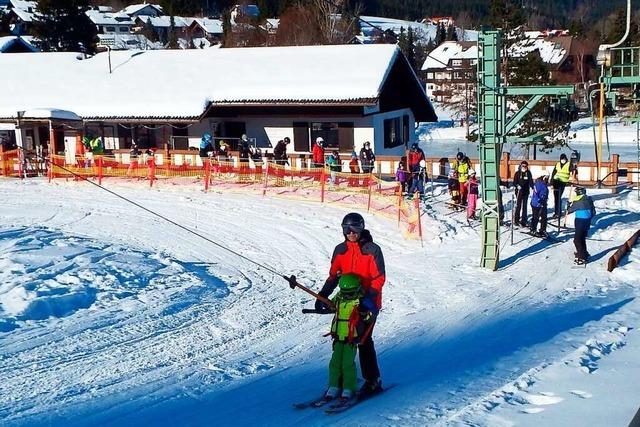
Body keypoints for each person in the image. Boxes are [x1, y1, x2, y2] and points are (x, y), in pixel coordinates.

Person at [316, 213, 385, 397]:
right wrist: (323, 295)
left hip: (367, 303)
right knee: (341, 338)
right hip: (345, 303)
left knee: (362, 339)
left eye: (354, 229)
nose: (351, 233)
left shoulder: (372, 250)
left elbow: (379, 279)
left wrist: (366, 302)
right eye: (347, 229)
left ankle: (373, 380)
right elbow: (334, 276)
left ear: (361, 229)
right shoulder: (340, 250)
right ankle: (340, 379)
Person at [324, 274, 367, 402]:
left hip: (351, 338)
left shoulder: (361, 300)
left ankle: (349, 387)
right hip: (338, 336)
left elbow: (370, 310)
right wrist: (326, 304)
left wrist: (366, 312)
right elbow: (331, 304)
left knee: (347, 364)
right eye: (345, 292)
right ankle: (334, 386)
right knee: (334, 363)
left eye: (350, 293)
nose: (347, 295)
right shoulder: (339, 297)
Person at [567, 186, 596, 265]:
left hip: (580, 220)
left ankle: (582, 257)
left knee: (577, 240)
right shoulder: (589, 199)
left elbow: (570, 210)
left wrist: (568, 206)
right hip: (587, 221)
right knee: (582, 238)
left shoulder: (578, 201)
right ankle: (584, 253)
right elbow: (593, 212)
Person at [551, 153, 573, 218]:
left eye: (564, 159)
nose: (562, 160)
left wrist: (574, 170)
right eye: (561, 159)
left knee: (558, 197)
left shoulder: (569, 164)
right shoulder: (557, 164)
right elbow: (554, 172)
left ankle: (558, 212)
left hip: (563, 182)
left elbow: (573, 171)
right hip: (556, 181)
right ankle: (556, 212)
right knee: (556, 197)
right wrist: (552, 182)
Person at [513, 160, 533, 227]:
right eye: (523, 166)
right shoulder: (517, 173)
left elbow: (531, 181)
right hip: (519, 192)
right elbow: (514, 182)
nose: (524, 167)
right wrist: (517, 185)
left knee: (525, 206)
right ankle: (516, 220)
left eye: (525, 166)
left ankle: (524, 220)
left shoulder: (528, 173)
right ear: (520, 166)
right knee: (518, 205)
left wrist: (533, 187)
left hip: (526, 191)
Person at [530, 173, 550, 237]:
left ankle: (543, 230)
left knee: (544, 217)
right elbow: (536, 193)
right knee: (536, 217)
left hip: (543, 202)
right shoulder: (538, 183)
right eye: (546, 177)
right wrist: (539, 200)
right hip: (537, 203)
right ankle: (533, 229)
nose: (547, 179)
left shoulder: (544, 184)